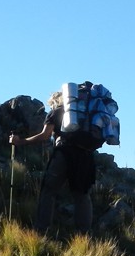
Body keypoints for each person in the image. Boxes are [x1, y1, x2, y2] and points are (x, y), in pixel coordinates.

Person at [8, 89, 95, 234]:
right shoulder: (85, 114)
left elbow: (45, 136)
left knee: (49, 191)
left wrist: (20, 141)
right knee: (82, 195)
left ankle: (41, 230)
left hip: (64, 154)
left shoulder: (56, 112)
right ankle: (84, 235)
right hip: (86, 157)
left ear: (55, 101)